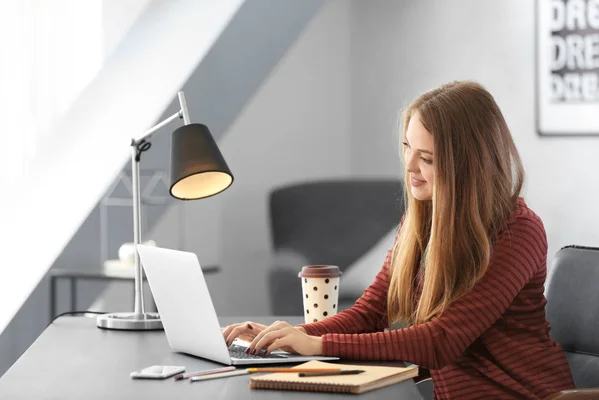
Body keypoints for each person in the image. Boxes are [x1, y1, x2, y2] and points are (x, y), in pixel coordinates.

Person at [222, 81, 575, 399]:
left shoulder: (518, 231)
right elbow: (371, 312)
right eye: (408, 147)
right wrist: (288, 338)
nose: (409, 167)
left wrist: (316, 342)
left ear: (469, 167)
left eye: (427, 158)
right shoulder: (422, 220)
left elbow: (442, 340)